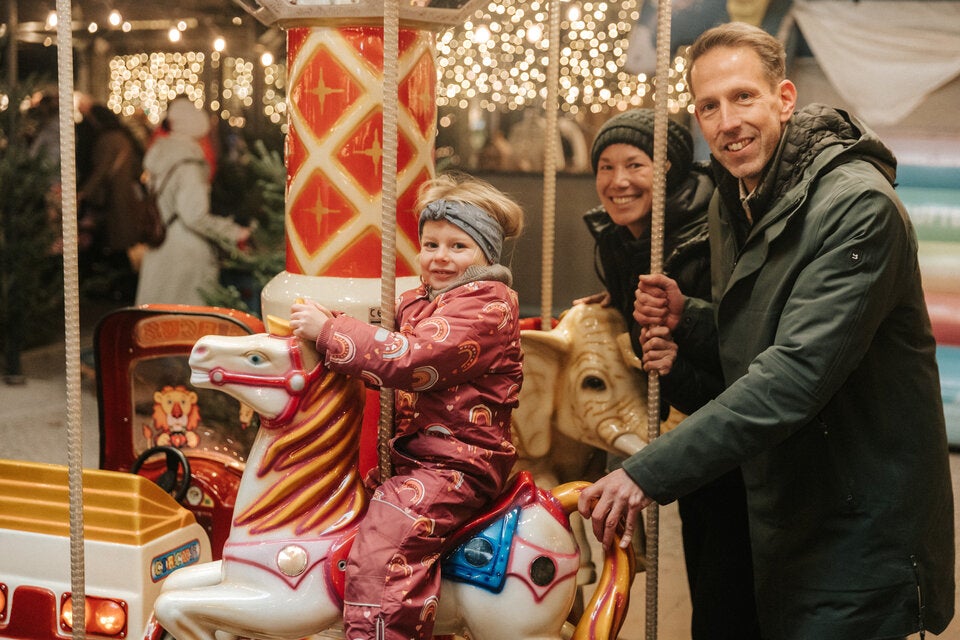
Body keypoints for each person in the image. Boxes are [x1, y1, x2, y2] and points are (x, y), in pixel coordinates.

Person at [578, 22, 955, 640]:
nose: (728, 121)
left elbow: (792, 376)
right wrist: (690, 316)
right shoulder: (742, 196)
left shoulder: (857, 207)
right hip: (789, 507)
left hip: (858, 523)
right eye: (709, 106)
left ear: (784, 98)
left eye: (743, 97)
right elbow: (762, 326)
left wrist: (648, 472)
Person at [289, 173, 524, 640]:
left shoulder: (486, 306)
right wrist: (336, 321)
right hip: (417, 456)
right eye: (430, 244)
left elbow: (413, 359)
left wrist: (329, 332)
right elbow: (385, 333)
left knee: (385, 549)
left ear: (487, 255)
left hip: (458, 461)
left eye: (458, 247)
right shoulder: (422, 299)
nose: (440, 257)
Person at [581, 108, 761, 639]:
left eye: (635, 165)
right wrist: (613, 306)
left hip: (724, 431)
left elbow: (736, 372)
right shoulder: (617, 238)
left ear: (672, 171)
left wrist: (674, 363)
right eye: (606, 167)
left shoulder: (708, 235)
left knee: (725, 583)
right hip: (680, 425)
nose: (617, 182)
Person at [135, 98, 250, 306]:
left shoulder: (159, 156)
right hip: (185, 254)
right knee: (187, 319)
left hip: (161, 245)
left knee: (157, 318)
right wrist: (233, 232)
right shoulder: (189, 165)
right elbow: (194, 215)